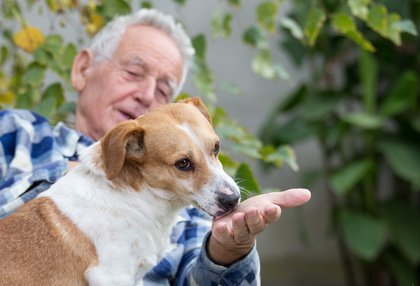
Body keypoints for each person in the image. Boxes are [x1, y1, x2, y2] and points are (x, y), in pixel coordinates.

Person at [0, 9, 311, 285]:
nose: (147, 95)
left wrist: (230, 249)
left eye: (164, 90)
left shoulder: (194, 210)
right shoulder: (15, 134)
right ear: (82, 68)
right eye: (133, 73)